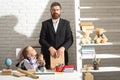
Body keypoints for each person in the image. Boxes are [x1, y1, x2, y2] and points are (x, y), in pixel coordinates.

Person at [39, 2, 73, 69]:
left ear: (60, 11)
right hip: (47, 57)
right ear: (50, 11)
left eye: (57, 10)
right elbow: (41, 39)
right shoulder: (45, 24)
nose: (55, 11)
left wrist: (63, 48)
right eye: (53, 10)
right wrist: (50, 48)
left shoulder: (66, 23)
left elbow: (70, 39)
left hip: (62, 56)